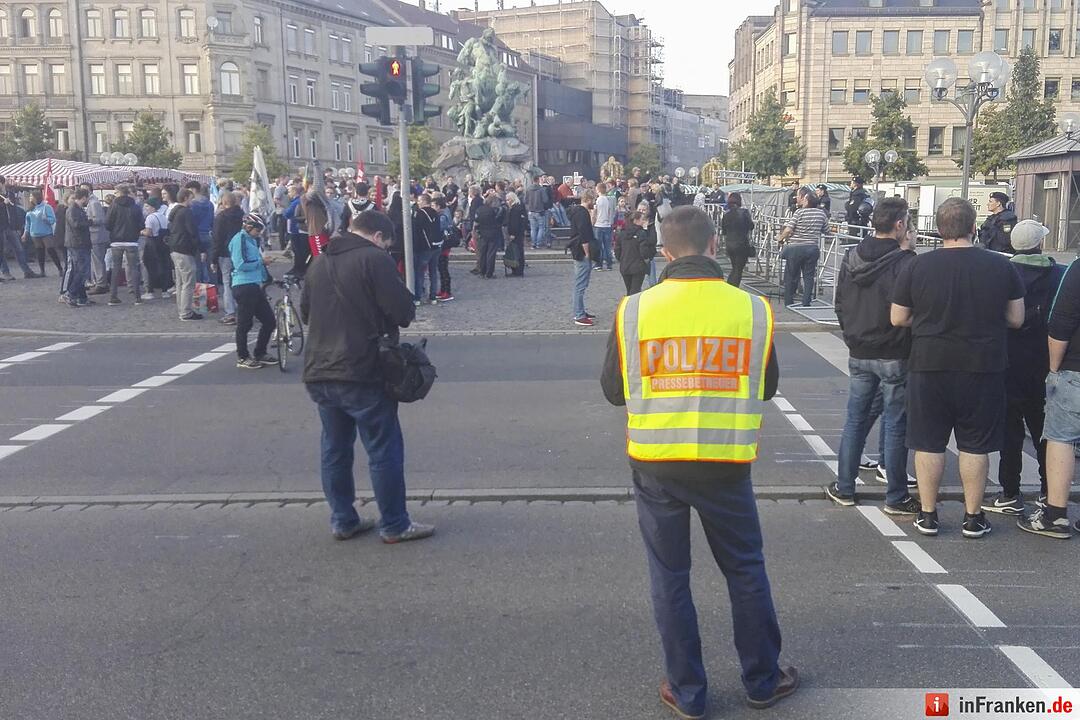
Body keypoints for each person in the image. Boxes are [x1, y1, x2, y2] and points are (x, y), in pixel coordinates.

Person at [600, 206, 796, 720]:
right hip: (726, 463)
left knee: (670, 577)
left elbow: (613, 392)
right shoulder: (751, 309)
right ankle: (762, 679)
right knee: (745, 570)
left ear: (664, 252)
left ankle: (688, 692)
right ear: (713, 246)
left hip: (657, 463)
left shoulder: (634, 310)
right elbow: (767, 385)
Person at [891, 197, 1025, 538]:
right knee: (976, 445)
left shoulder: (917, 266)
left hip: (929, 363)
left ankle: (928, 514)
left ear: (938, 229)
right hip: (983, 366)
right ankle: (973, 516)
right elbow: (1016, 318)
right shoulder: (1001, 266)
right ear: (973, 227)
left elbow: (897, 317)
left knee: (929, 442)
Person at [301, 210, 433, 544]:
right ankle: (395, 524)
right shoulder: (374, 260)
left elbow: (306, 311)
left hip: (319, 368)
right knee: (383, 449)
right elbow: (403, 312)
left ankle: (343, 519)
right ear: (377, 236)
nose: (386, 249)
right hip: (361, 367)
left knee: (335, 449)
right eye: (386, 244)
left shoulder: (318, 261)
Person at [827, 197, 920, 514]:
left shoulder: (851, 255)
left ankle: (845, 486)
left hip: (859, 349)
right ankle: (895, 496)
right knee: (895, 425)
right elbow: (912, 309)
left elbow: (839, 303)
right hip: (895, 351)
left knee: (855, 420)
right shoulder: (906, 262)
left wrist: (851, 334)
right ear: (899, 225)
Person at [978, 220, 1061, 517]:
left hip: (1007, 362)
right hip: (1047, 364)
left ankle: (1010, 492)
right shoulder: (1058, 275)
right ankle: (1050, 491)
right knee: (1046, 432)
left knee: (1009, 432)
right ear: (1040, 244)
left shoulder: (1002, 272)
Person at [1019, 245, 1080, 538]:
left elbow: (1060, 322)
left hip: (1075, 369)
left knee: (1061, 437)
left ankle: (1055, 515)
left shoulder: (1077, 269)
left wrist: (1054, 368)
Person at [229, 214, 277, 369]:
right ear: (248, 227)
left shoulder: (252, 240)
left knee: (269, 321)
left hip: (254, 285)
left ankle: (260, 352)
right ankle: (242, 356)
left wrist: (267, 278)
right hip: (243, 285)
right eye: (258, 230)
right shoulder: (239, 240)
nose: (259, 233)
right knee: (244, 324)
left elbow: (257, 263)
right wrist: (261, 262)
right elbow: (240, 264)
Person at [779, 188, 828, 307]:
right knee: (809, 276)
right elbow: (826, 230)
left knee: (791, 275)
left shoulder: (799, 212)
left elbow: (789, 229)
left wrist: (780, 238)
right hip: (812, 248)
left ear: (807, 201)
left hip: (796, 248)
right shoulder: (822, 214)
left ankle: (789, 302)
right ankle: (806, 302)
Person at [105, 185, 144, 305]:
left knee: (116, 268)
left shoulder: (113, 206)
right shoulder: (135, 206)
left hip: (116, 240)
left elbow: (107, 224)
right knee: (134, 268)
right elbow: (141, 224)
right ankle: (137, 297)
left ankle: (113, 296)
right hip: (132, 240)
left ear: (119, 193)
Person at [167, 189, 202, 321]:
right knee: (188, 282)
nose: (192, 201)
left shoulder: (174, 212)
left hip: (174, 248)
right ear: (186, 198)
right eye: (191, 198)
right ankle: (186, 311)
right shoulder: (186, 212)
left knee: (181, 282)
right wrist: (199, 247)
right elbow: (192, 231)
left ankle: (182, 309)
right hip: (184, 249)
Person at [212, 191, 244, 325]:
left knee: (227, 283)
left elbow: (217, 239)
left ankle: (230, 312)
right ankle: (242, 309)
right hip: (240, 253)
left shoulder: (221, 217)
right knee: (240, 281)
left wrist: (213, 259)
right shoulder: (242, 215)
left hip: (225, 253)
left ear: (224, 203)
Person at [568, 191, 596, 327]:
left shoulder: (578, 212)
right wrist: (587, 253)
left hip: (578, 250)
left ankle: (581, 311)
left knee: (581, 283)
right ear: (588, 199)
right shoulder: (582, 213)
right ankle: (579, 314)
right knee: (580, 284)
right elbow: (584, 234)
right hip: (581, 251)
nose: (594, 202)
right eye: (593, 199)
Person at [61, 189, 92, 307]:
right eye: (87, 198)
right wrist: (89, 222)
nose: (87, 200)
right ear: (83, 198)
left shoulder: (77, 209)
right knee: (83, 271)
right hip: (77, 243)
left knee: (80, 270)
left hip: (78, 243)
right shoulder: (72, 209)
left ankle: (82, 298)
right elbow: (76, 225)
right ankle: (70, 293)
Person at [0, 180, 36, 279]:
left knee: (19, 249)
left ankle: (27, 271)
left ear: (2, 184)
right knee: (1, 251)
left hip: (10, 226)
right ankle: (6, 272)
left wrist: (17, 226)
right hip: (1, 226)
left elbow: (14, 210)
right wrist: (3, 204)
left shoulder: (10, 194)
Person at [412, 193, 443, 303]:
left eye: (419, 201)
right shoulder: (436, 212)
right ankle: (433, 296)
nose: (418, 203)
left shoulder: (419, 213)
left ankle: (418, 298)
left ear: (424, 201)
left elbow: (417, 231)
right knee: (433, 272)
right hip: (437, 245)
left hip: (425, 247)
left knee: (420, 272)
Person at [613, 211, 653, 295]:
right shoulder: (641, 233)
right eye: (642, 219)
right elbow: (644, 250)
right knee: (635, 290)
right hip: (638, 266)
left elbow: (617, 249)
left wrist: (621, 259)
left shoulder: (622, 233)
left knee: (629, 290)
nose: (643, 221)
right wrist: (646, 259)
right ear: (635, 220)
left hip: (625, 265)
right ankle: (633, 307)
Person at [720, 192, 754, 288]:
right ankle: (732, 288)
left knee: (735, 267)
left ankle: (731, 287)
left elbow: (724, 231)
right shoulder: (744, 212)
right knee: (738, 270)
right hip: (742, 244)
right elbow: (751, 226)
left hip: (730, 245)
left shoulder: (726, 215)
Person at [23, 190, 57, 278]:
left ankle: (59, 268)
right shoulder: (30, 209)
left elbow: (53, 219)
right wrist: (25, 233)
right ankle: (42, 271)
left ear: (36, 197)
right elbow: (28, 223)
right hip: (35, 233)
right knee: (39, 252)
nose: (30, 198)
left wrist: (46, 220)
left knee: (50, 249)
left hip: (46, 232)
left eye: (31, 196)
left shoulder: (46, 207)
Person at [474, 193, 503, 280]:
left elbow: (476, 222)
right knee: (491, 254)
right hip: (493, 233)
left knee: (483, 253)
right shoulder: (495, 210)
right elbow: (499, 220)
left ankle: (482, 271)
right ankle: (489, 272)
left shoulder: (479, 209)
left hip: (482, 233)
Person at [592, 182, 616, 271]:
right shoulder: (608, 200)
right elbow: (611, 212)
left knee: (599, 246)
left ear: (598, 190)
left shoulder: (598, 200)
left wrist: (592, 222)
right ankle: (609, 264)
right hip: (607, 225)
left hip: (598, 225)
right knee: (607, 246)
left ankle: (599, 264)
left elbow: (595, 212)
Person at [503, 191, 528, 277]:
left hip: (516, 234)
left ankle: (517, 270)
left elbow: (514, 223)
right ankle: (518, 269)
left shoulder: (515, 209)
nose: (507, 202)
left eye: (508, 200)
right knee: (518, 251)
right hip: (520, 233)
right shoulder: (520, 207)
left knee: (516, 252)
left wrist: (512, 233)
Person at [525, 178, 553, 250]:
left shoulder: (528, 189)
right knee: (541, 228)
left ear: (532, 181)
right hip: (540, 211)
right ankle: (538, 244)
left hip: (531, 211)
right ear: (538, 181)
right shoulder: (541, 189)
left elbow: (525, 200)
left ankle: (533, 244)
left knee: (533, 229)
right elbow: (545, 200)